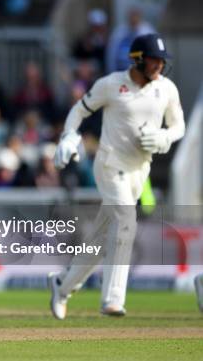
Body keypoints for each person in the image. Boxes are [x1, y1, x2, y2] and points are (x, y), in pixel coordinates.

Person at [50, 34, 185, 319]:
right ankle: (112, 299)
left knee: (102, 238)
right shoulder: (111, 84)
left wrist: (163, 138)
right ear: (137, 59)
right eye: (153, 60)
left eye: (162, 61)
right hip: (110, 164)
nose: (159, 66)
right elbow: (79, 110)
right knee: (125, 220)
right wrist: (67, 137)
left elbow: (178, 127)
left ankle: (63, 286)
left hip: (139, 170)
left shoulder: (167, 89)